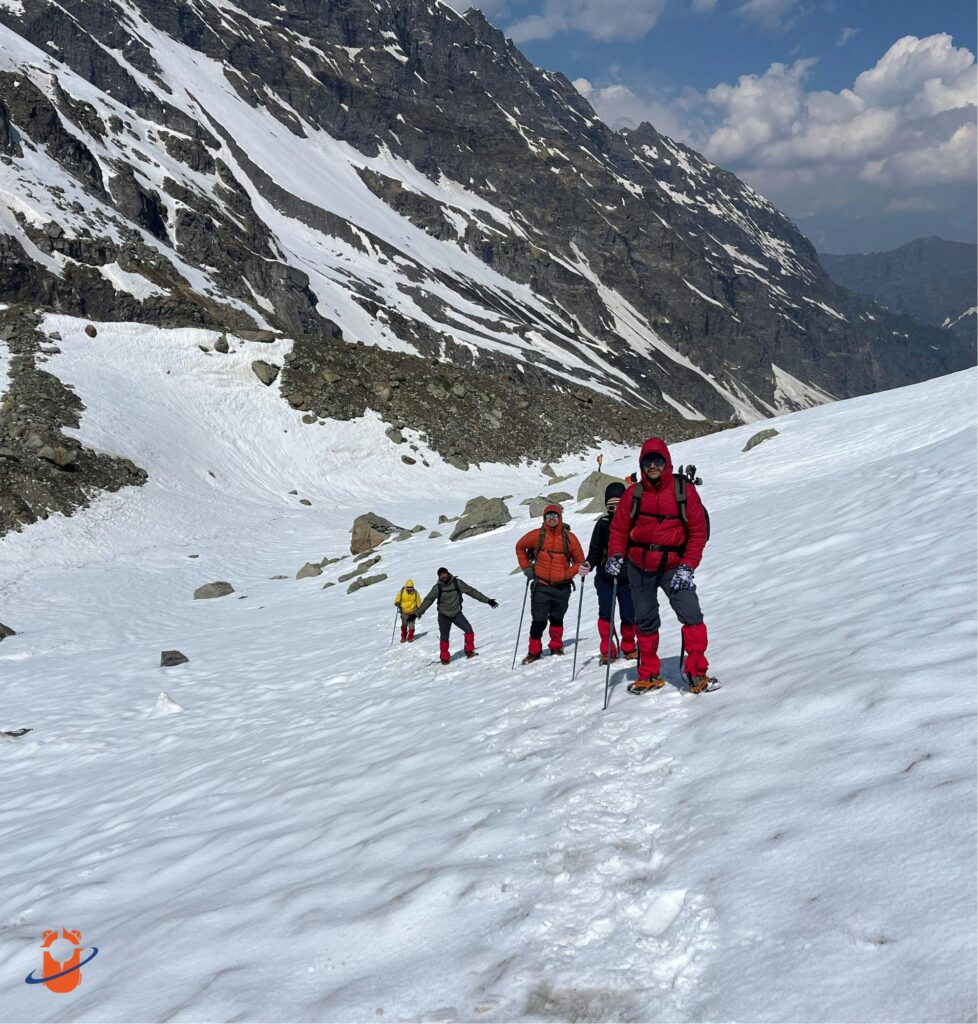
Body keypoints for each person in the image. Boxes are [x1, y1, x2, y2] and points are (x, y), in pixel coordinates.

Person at [605, 437, 715, 693]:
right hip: (639, 567)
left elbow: (698, 532)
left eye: (657, 460)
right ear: (641, 465)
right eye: (647, 461)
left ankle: (697, 672)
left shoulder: (683, 491)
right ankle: (649, 673)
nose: (652, 465)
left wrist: (688, 566)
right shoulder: (634, 494)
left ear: (666, 462)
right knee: (645, 620)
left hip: (674, 566)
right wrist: (615, 555)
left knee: (692, 615)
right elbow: (619, 530)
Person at [515, 504, 585, 663]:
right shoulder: (537, 535)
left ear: (560, 517)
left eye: (555, 516)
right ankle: (534, 651)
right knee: (538, 620)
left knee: (557, 618)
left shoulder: (569, 538)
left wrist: (566, 574)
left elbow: (580, 561)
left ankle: (556, 646)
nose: (551, 519)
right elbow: (520, 547)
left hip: (562, 587)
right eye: (548, 516)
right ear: (544, 518)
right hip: (541, 585)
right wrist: (526, 567)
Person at [579, 483, 637, 665]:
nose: (615, 510)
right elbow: (595, 550)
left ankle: (628, 646)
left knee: (629, 614)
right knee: (606, 614)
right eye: (611, 506)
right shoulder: (603, 524)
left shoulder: (635, 523)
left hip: (628, 578)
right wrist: (589, 563)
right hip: (605, 578)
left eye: (620, 505)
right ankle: (608, 650)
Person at [416, 567, 498, 664]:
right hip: (443, 615)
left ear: (448, 573)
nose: (443, 576)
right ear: (439, 577)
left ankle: (469, 651)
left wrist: (487, 600)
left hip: (456, 614)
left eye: (444, 573)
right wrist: (417, 613)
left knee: (468, 630)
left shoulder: (457, 583)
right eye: (441, 574)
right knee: (444, 637)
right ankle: (445, 658)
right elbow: (428, 600)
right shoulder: (437, 588)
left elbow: (472, 592)